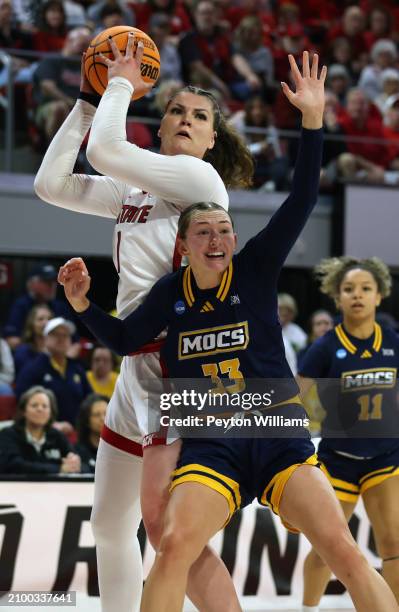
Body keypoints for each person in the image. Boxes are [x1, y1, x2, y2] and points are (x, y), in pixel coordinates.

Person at [60, 52, 399, 612]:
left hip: (275, 429)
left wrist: (312, 123)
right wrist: (82, 304)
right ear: (186, 245)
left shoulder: (258, 267)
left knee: (341, 547)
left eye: (225, 230)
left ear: (235, 239)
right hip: (212, 441)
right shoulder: (171, 294)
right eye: (204, 233)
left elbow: (303, 199)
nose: (217, 238)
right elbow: (122, 342)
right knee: (171, 547)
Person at [34, 30, 253, 612]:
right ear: (158, 129)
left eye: (199, 116)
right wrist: (86, 101)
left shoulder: (201, 184)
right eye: (176, 110)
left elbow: (105, 150)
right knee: (109, 527)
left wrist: (121, 80)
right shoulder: (135, 188)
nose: (185, 118)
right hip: (135, 369)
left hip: (181, 372)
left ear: (211, 140)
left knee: (170, 536)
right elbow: (51, 184)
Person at [298, 256, 399, 610]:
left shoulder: (393, 342)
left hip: (384, 458)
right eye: (349, 289)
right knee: (328, 547)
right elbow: (297, 394)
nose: (357, 295)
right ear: (337, 297)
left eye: (366, 289)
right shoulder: (325, 347)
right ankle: (308, 608)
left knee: (393, 545)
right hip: (337, 460)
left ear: (379, 296)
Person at [16, 317, 92, 430]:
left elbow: (90, 399)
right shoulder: (32, 369)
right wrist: (51, 425)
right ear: (45, 339)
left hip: (79, 432)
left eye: (65, 335)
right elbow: (23, 402)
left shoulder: (77, 368)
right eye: (55, 334)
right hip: (45, 430)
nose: (61, 339)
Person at [0, 385, 81, 474]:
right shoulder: (8, 434)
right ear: (24, 411)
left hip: (54, 487)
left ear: (51, 412)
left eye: (45, 406)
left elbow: (81, 464)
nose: (40, 409)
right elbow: (13, 465)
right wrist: (59, 469)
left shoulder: (57, 436)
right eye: (34, 405)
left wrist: (74, 463)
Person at [4, 263, 75, 351]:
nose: (52, 286)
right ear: (32, 284)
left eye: (54, 282)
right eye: (47, 282)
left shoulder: (61, 306)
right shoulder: (20, 305)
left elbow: (75, 340)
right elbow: (11, 340)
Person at [13, 304, 53, 374]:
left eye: (50, 319)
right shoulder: (22, 351)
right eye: (40, 319)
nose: (46, 322)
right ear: (31, 324)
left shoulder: (60, 348)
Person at [75, 392, 108, 473]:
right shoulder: (78, 451)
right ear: (87, 421)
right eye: (97, 415)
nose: (103, 419)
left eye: (106, 413)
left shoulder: (119, 448)